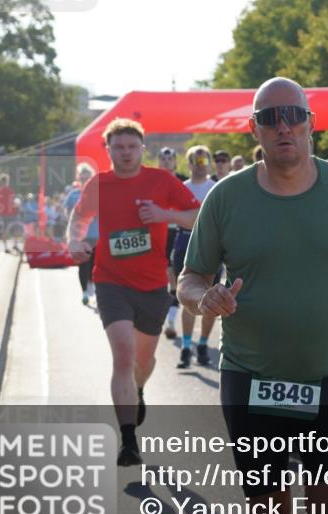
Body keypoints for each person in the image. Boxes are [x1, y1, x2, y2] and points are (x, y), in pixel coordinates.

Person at [177, 77, 328, 514]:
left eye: (293, 115)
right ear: (254, 129)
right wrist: (202, 297)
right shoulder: (227, 198)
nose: (283, 126)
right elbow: (190, 277)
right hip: (250, 377)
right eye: (270, 118)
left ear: (310, 123)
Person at [67, 119, 200, 466]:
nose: (125, 153)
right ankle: (128, 441)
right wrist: (74, 241)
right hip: (111, 282)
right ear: (108, 150)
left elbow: (196, 217)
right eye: (118, 147)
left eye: (131, 147)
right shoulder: (99, 184)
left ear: (142, 149)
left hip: (153, 285)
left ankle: (138, 390)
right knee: (123, 357)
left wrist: (163, 214)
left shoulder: (161, 180)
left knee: (143, 362)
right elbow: (78, 218)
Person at [172, 145, 219, 367]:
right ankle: (186, 346)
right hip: (185, 241)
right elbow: (173, 218)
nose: (200, 165)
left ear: (209, 163)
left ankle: (202, 344)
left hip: (211, 244)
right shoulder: (181, 188)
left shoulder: (217, 188)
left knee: (211, 298)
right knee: (187, 295)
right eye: (195, 161)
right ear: (189, 164)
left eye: (204, 161)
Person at [158, 147, 188, 338]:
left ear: (175, 162)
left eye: (170, 158)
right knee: (164, 273)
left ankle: (171, 317)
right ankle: (166, 314)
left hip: (178, 231)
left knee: (174, 274)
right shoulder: (152, 182)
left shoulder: (184, 180)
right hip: (159, 232)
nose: (167, 161)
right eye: (163, 158)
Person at [64, 164, 99, 305]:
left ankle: (94, 286)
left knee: (95, 264)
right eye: (82, 177)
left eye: (87, 177)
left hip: (97, 234)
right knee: (83, 264)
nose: (85, 180)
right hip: (81, 236)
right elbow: (68, 212)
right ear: (79, 178)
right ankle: (84, 291)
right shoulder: (73, 194)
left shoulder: (98, 193)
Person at [0, 173, 19, 252]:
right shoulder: (10, 190)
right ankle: (15, 244)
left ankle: (5, 247)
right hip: (11, 212)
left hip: (3, 213)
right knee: (15, 229)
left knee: (5, 229)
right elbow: (12, 202)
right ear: (7, 181)